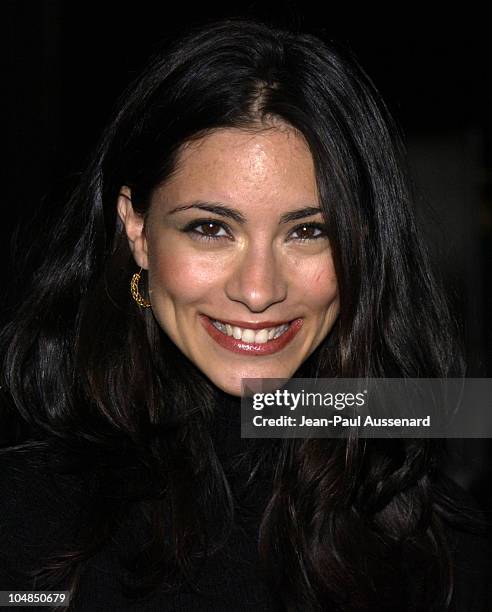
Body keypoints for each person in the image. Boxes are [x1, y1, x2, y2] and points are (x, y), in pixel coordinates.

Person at [0, 18, 489, 611]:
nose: (258, 292)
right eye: (211, 229)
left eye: (308, 232)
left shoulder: (434, 535)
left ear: (364, 245)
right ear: (137, 228)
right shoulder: (27, 518)